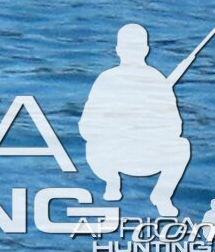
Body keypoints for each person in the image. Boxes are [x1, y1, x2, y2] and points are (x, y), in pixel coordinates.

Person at [82, 22, 194, 216]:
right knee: (182, 146)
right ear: (146, 50)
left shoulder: (151, 81)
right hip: (120, 154)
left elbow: (86, 127)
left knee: (181, 145)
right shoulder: (112, 80)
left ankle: (159, 195)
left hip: (139, 155)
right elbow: (176, 128)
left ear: (118, 50)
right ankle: (113, 181)